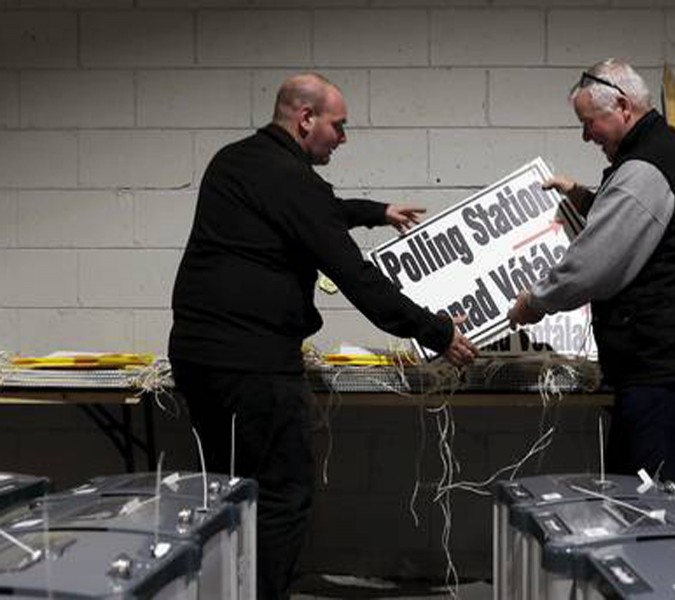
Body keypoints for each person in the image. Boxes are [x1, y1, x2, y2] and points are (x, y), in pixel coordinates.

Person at [168, 73, 477, 599]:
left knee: (229, 490)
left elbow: (319, 209)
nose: (343, 137)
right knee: (283, 495)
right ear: (306, 118)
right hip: (255, 364)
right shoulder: (293, 181)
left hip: (198, 358)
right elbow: (357, 278)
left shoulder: (236, 160)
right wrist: (437, 332)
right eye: (339, 125)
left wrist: (376, 213)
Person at [508, 59, 675, 497]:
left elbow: (594, 264)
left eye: (589, 123)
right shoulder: (659, 154)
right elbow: (632, 220)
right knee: (642, 490)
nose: (587, 135)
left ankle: (666, 568)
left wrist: (535, 301)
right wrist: (581, 195)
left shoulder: (646, 167)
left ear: (622, 106)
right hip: (665, 360)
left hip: (660, 364)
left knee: (655, 499)